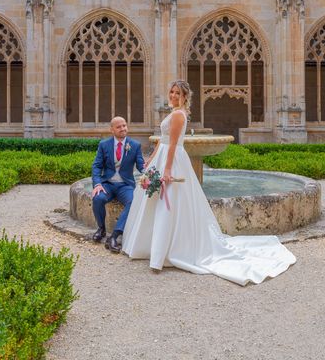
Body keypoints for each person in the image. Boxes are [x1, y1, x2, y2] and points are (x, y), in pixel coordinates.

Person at [122, 80, 296, 285]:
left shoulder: (179, 115)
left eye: (177, 93)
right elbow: (163, 139)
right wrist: (151, 158)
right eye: (171, 91)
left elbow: (174, 144)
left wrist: (167, 169)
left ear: (185, 96)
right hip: (162, 157)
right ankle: (154, 247)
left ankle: (168, 250)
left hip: (172, 160)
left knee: (169, 203)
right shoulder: (173, 113)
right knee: (157, 201)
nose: (173, 95)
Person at [91, 116, 145, 253]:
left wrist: (149, 172)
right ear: (112, 130)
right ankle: (101, 229)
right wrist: (97, 184)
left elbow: (141, 166)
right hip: (107, 184)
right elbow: (97, 166)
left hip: (125, 185)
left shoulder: (135, 145)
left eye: (124, 125)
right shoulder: (104, 145)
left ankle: (115, 235)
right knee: (98, 198)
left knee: (133, 201)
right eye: (119, 127)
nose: (123, 129)